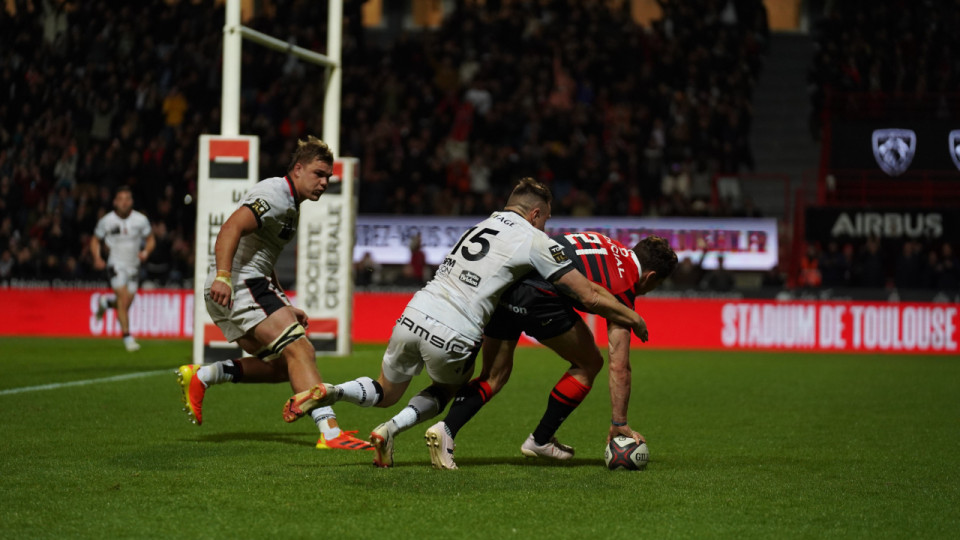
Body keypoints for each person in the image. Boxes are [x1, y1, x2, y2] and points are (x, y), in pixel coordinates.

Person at [282, 178, 649, 467]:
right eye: (547, 218)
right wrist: (632, 315)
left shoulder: (479, 225)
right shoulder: (534, 239)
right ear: (536, 214)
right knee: (446, 392)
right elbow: (586, 295)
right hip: (454, 330)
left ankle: (334, 391)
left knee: (386, 391)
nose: (546, 224)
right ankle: (414, 431)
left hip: (413, 312)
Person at [175, 136, 371, 451]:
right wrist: (224, 276)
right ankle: (331, 432)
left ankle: (204, 376)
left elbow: (264, 257)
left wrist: (284, 304)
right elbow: (230, 228)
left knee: (284, 366)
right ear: (297, 169)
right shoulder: (276, 194)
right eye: (318, 174)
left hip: (246, 285)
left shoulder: (290, 204)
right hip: (239, 284)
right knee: (301, 350)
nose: (324, 182)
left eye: (328, 177)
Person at [424, 234, 678, 469]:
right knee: (589, 363)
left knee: (493, 375)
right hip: (539, 296)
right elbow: (619, 365)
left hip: (506, 284)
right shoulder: (625, 285)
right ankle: (540, 439)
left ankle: (445, 429)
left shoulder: (604, 243)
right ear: (650, 276)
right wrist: (619, 423)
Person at [91, 185, 155, 352]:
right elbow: (94, 240)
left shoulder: (140, 220)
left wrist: (146, 251)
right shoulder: (107, 221)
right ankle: (127, 337)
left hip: (134, 266)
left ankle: (106, 302)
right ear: (115, 202)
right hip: (115, 264)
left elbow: (151, 239)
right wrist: (97, 258)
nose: (124, 203)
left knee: (126, 303)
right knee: (123, 297)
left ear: (132, 201)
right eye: (121, 199)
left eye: (127, 199)